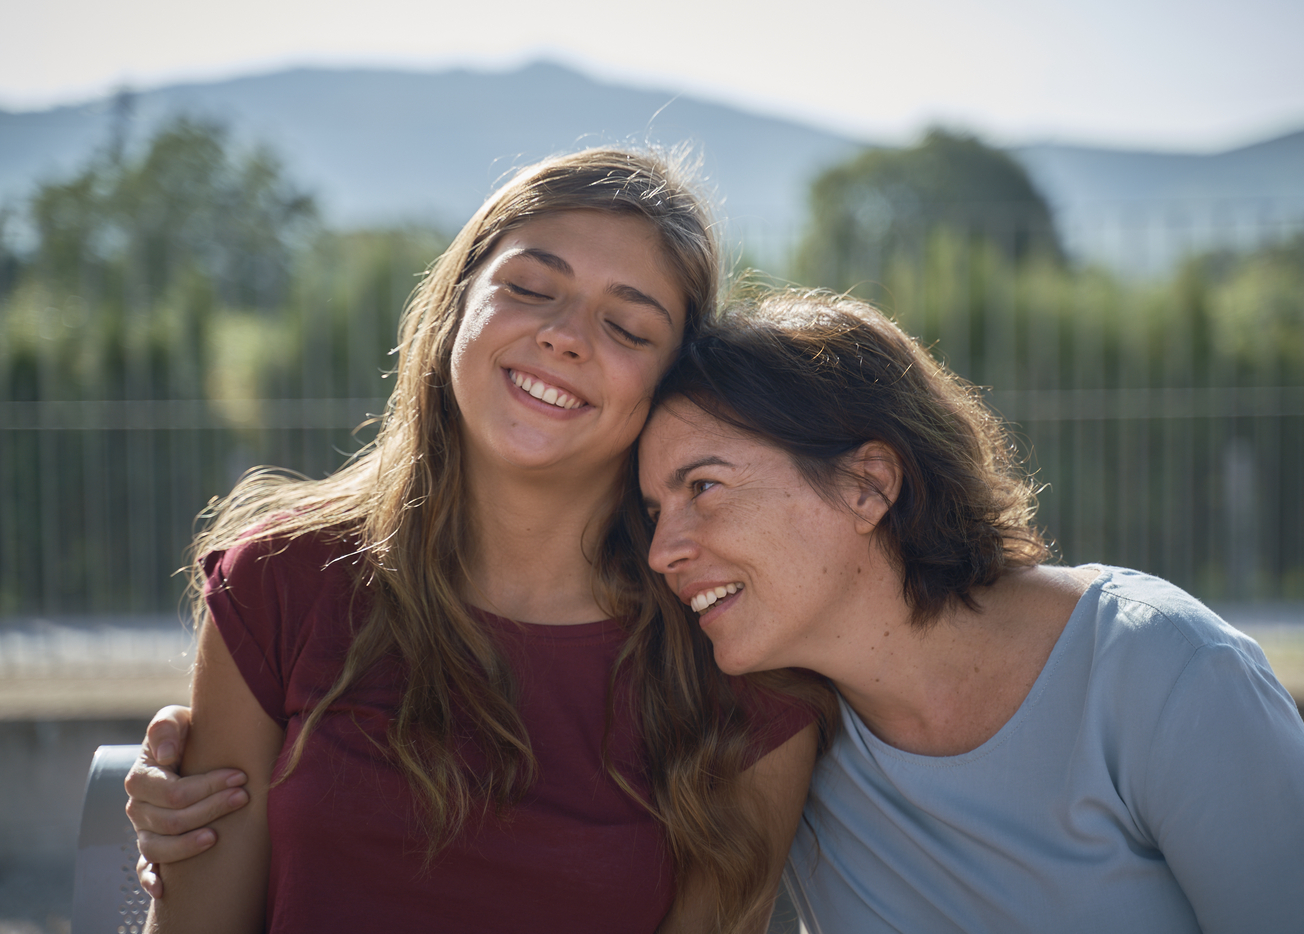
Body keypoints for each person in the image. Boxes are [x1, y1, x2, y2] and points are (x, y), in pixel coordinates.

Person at [128, 151, 830, 934]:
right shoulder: (281, 581)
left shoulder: (735, 660)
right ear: (457, 304)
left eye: (627, 326)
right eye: (531, 289)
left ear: (667, 388)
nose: (565, 336)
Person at [635, 289, 1304, 933]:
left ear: (867, 484)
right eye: (654, 508)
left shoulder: (1165, 671)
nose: (663, 550)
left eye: (703, 488)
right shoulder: (787, 733)